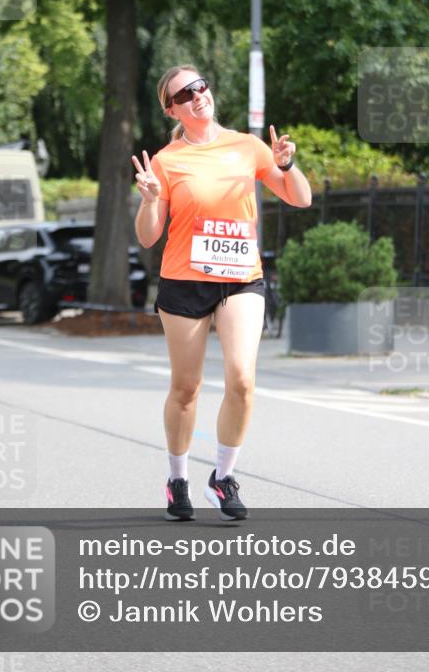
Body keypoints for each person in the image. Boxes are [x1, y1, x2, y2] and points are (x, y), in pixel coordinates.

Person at [132, 65, 312, 522]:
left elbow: (300, 198)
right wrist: (151, 199)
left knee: (242, 379)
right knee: (186, 388)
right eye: (185, 94)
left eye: (201, 86)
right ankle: (177, 481)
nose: (198, 96)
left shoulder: (247, 147)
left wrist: (287, 165)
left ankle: (223, 476)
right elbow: (149, 237)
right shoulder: (167, 161)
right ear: (171, 108)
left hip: (240, 277)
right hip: (184, 279)